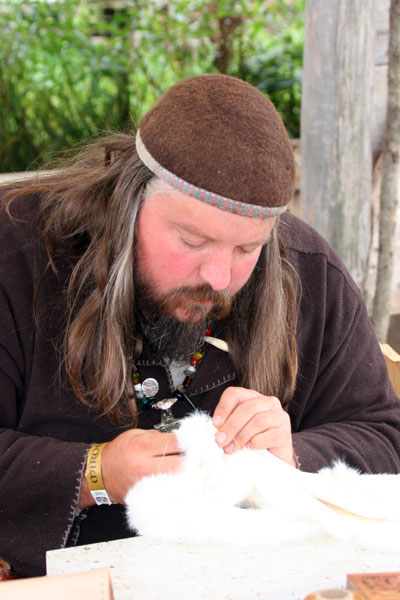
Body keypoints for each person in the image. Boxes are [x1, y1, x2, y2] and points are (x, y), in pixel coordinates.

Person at [0, 74, 399, 578]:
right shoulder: (16, 254)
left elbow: (384, 436)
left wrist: (292, 456)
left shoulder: (310, 271)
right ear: (130, 199)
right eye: (192, 241)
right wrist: (95, 473)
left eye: (247, 249)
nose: (219, 278)